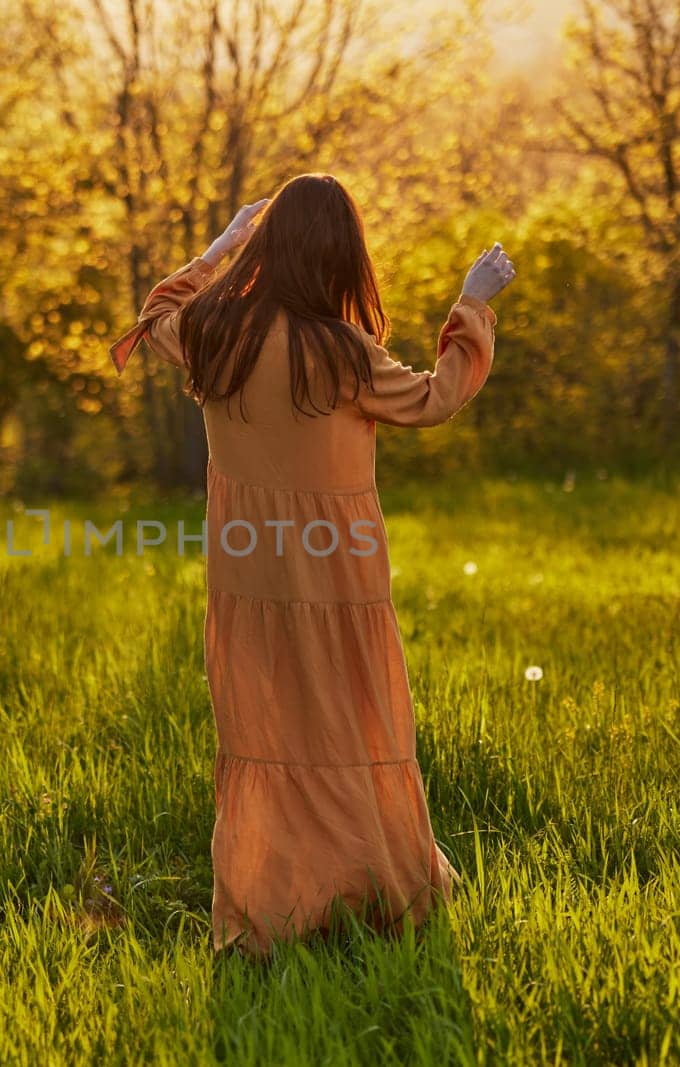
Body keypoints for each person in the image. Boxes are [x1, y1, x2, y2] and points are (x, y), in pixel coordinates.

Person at [108, 172, 515, 959]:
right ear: (341, 256)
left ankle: (276, 902)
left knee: (266, 731)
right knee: (351, 720)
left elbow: (153, 314)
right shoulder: (342, 352)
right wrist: (471, 304)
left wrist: (218, 250)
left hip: (247, 572)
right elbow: (436, 399)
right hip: (340, 574)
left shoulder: (212, 332)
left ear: (268, 248)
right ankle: (368, 886)